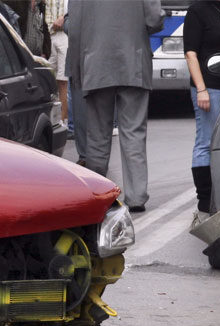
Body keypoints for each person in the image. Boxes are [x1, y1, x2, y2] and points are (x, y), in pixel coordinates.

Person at [66, 0, 163, 212]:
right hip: (133, 62)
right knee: (134, 132)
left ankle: (100, 194)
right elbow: (154, 19)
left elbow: (73, 29)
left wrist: (76, 68)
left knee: (98, 134)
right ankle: (136, 197)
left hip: (95, 64)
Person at [183, 0, 220, 217]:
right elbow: (190, 54)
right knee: (206, 141)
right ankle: (205, 199)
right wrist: (201, 89)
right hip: (208, 87)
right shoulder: (197, 10)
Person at [46, 0, 68, 130]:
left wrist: (63, 20)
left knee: (62, 80)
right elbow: (49, 19)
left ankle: (63, 120)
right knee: (47, 76)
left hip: (65, 35)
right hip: (51, 35)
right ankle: (54, 117)